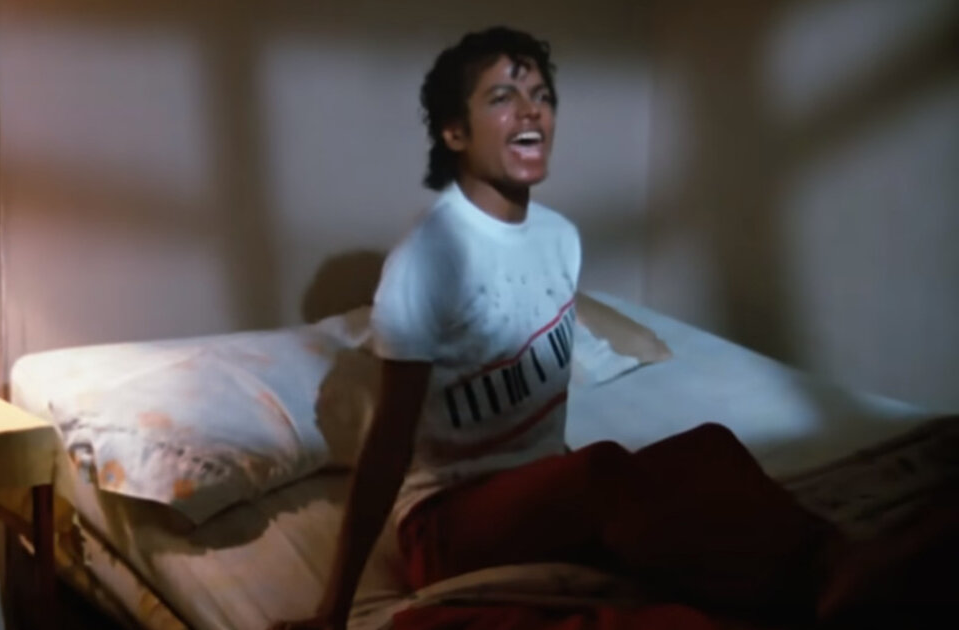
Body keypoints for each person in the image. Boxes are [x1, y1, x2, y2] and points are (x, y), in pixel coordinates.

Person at [271, 26, 844, 630]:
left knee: (709, 448)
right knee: (608, 476)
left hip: (539, 495)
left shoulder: (559, 240)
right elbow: (389, 441)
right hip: (448, 522)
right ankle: (814, 583)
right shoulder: (427, 258)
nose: (531, 111)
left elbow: (541, 432)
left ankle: (825, 562)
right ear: (455, 132)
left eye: (541, 96)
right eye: (503, 97)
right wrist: (332, 613)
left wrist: (568, 491)